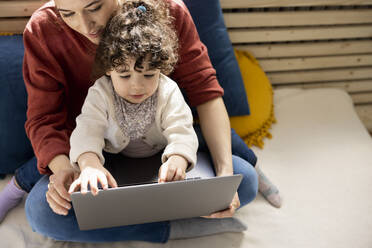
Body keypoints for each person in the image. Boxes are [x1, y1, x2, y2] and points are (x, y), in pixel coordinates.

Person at [0, 0, 280, 237]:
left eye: (94, 7)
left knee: (244, 182)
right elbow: (44, 119)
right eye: (67, 13)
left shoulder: (166, 12)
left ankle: (162, 211)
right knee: (42, 213)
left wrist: (220, 175)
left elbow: (204, 94)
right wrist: (71, 169)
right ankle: (175, 228)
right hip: (98, 151)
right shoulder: (44, 31)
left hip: (161, 146)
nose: (86, 27)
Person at [68, 2, 198, 195]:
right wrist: (90, 164)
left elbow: (181, 129)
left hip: (159, 157)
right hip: (115, 157)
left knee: (218, 148)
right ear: (108, 69)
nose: (137, 86)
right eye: (124, 76)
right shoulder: (100, 93)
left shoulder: (168, 90)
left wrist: (177, 159)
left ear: (161, 69)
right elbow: (88, 130)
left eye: (148, 75)